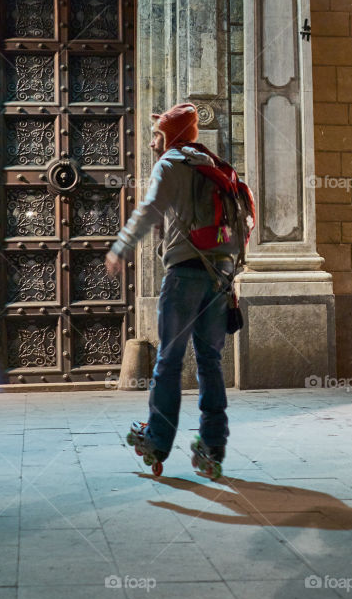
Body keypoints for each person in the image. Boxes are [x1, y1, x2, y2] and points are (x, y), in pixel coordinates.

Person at [105, 102, 250, 477]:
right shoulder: (211, 165)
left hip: (185, 276)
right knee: (210, 363)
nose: (153, 142)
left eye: (157, 134)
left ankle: (156, 441)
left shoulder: (170, 163)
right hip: (220, 278)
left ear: (171, 136)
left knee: (168, 361)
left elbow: (150, 208)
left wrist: (121, 246)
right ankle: (212, 449)